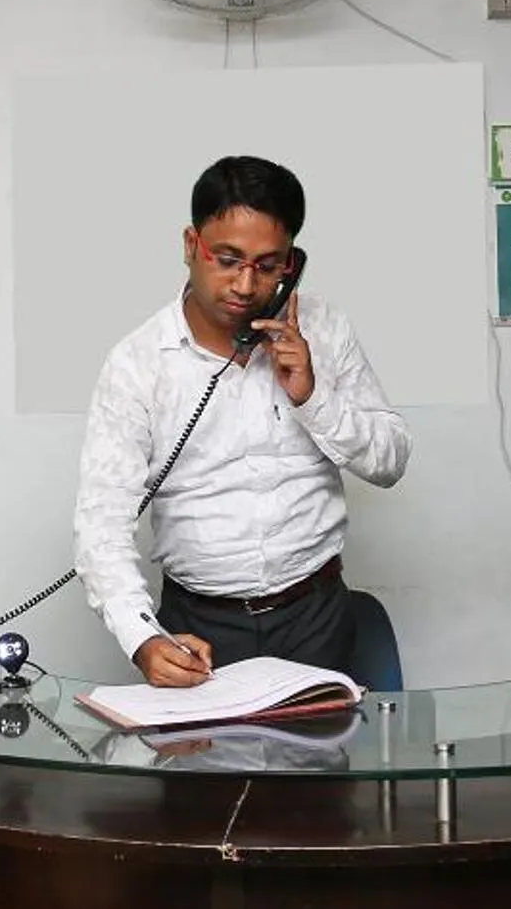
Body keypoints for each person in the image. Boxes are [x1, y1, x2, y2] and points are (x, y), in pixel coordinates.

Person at [73, 156, 410, 687]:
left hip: (315, 614)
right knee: (204, 771)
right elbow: (102, 522)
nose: (246, 284)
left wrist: (313, 396)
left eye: (268, 265)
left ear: (292, 265)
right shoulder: (137, 363)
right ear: (191, 245)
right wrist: (143, 637)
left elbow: (391, 460)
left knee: (319, 769)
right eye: (227, 259)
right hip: (199, 626)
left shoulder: (324, 328)